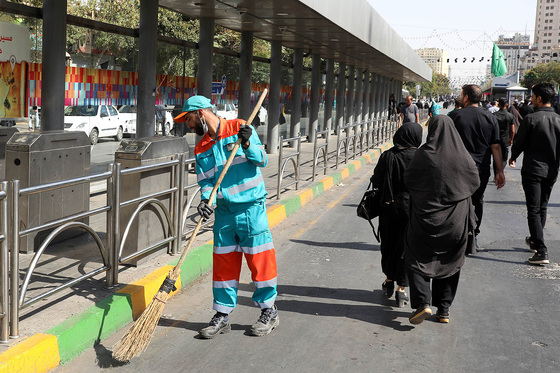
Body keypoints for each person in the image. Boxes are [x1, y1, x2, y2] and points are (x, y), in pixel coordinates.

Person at [174, 95, 279, 338]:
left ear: (201, 113)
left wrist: (247, 143)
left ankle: (269, 310)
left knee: (260, 262)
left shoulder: (239, 127)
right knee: (223, 266)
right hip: (223, 213)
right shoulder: (201, 147)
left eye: (189, 119)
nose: (188, 125)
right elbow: (207, 181)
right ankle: (222, 315)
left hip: (251, 208)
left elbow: (261, 159)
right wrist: (205, 200)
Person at [403, 115, 480, 325]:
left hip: (425, 218)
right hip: (454, 221)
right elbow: (475, 181)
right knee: (450, 260)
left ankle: (423, 303)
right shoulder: (462, 156)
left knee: (416, 256)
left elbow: (408, 179)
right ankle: (443, 309)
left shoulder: (424, 154)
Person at [372, 122, 422, 308]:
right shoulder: (420, 157)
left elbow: (376, 180)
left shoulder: (388, 155)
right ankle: (402, 288)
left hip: (389, 209)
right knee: (407, 249)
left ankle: (389, 279)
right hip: (414, 212)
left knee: (389, 245)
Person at [509, 83, 560, 265]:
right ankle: (534, 241)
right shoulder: (558, 120)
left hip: (532, 170)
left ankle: (541, 250)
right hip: (552, 170)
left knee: (533, 209)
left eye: (532, 96)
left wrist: (512, 157)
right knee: (542, 207)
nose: (530, 99)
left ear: (539, 98)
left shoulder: (530, 119)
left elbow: (519, 143)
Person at [448, 84, 505, 248]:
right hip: (481, 169)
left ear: (466, 97)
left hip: (457, 169)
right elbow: (496, 146)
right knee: (477, 200)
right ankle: (473, 234)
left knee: (456, 201)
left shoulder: (454, 116)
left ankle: (457, 236)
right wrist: (499, 171)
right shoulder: (490, 117)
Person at [492, 97, 515, 174]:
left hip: (495, 139)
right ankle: (500, 170)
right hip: (505, 140)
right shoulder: (510, 116)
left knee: (496, 157)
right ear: (507, 104)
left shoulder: (494, 115)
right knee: (504, 158)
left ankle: (496, 174)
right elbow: (512, 130)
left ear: (498, 105)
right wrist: (511, 139)